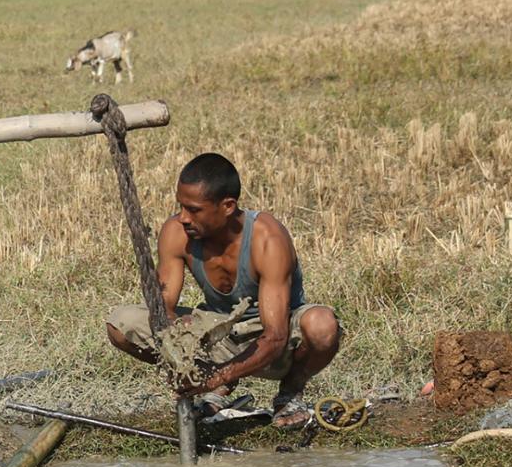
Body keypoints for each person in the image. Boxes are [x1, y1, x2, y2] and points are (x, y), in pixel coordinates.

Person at [104, 152, 341, 428]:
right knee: (121, 325)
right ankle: (213, 388)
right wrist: (180, 356)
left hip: (274, 338)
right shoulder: (176, 233)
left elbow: (275, 337)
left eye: (194, 210)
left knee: (322, 325)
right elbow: (163, 312)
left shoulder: (267, 238)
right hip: (217, 330)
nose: (183, 218)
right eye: (181, 206)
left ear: (227, 206)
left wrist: (218, 376)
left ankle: (289, 393)